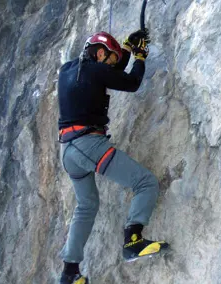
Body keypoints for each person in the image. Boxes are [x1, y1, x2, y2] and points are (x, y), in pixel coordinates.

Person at [57, 31, 169, 284]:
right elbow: (129, 82)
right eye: (109, 58)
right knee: (145, 183)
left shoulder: (67, 70)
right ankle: (133, 240)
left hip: (68, 152)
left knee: (86, 206)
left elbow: (107, 72)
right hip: (88, 144)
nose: (111, 63)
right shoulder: (94, 71)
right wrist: (139, 58)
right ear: (98, 52)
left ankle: (69, 274)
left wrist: (126, 50)